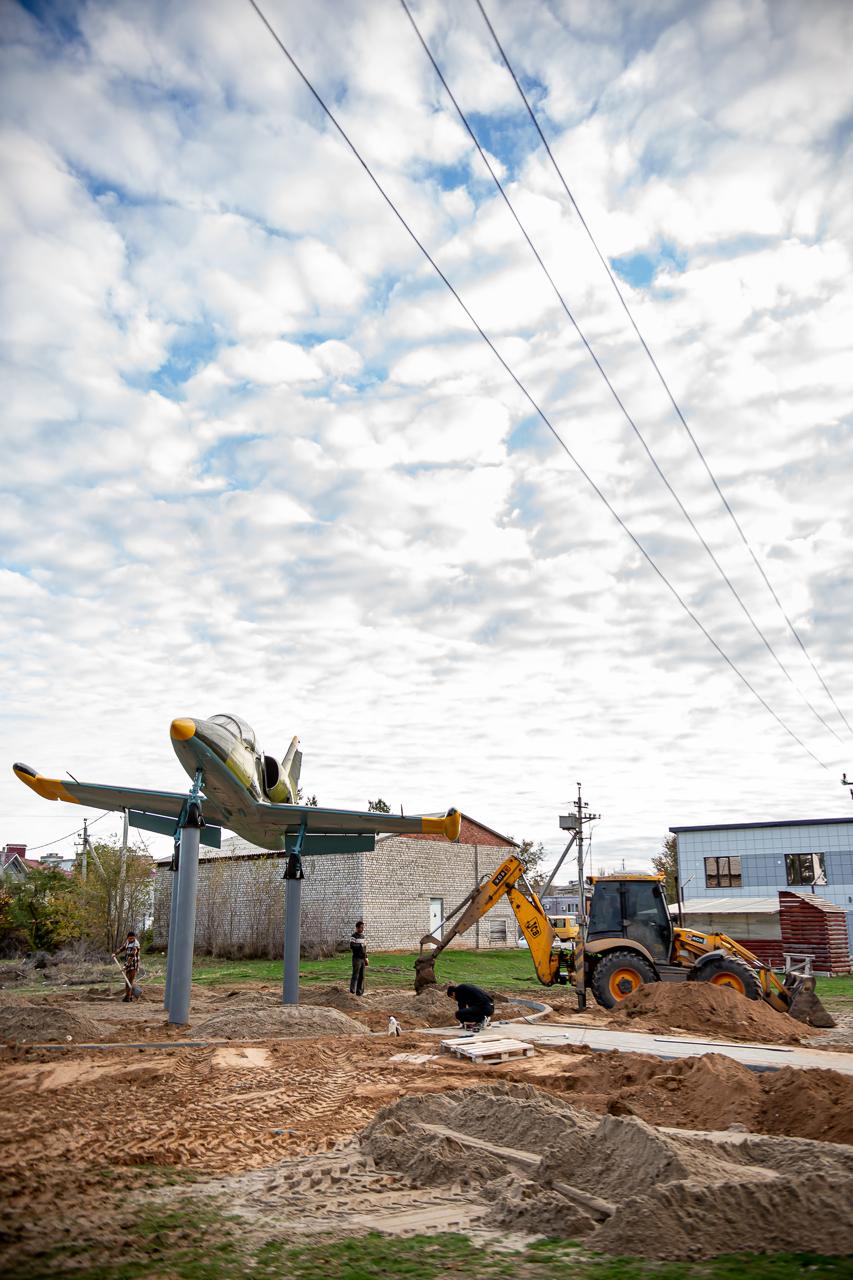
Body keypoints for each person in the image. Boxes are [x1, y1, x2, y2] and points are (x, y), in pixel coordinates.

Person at [114, 930, 140, 1003]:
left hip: (134, 965)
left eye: (132, 938)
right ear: (128, 938)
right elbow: (122, 948)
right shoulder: (127, 942)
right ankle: (128, 996)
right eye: (129, 938)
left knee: (130, 981)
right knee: (127, 981)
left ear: (134, 937)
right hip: (128, 964)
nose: (131, 939)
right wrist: (115, 953)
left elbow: (132, 956)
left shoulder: (136, 945)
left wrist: (125, 966)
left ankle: (128, 997)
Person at [350, 920, 368, 996]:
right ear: (357, 928)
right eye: (361, 927)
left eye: (363, 927)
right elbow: (352, 946)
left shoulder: (363, 936)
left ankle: (359, 992)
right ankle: (352, 990)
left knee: (362, 976)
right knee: (355, 974)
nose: (362, 929)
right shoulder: (353, 936)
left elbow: (364, 948)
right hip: (356, 958)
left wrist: (366, 957)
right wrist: (361, 945)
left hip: (362, 959)